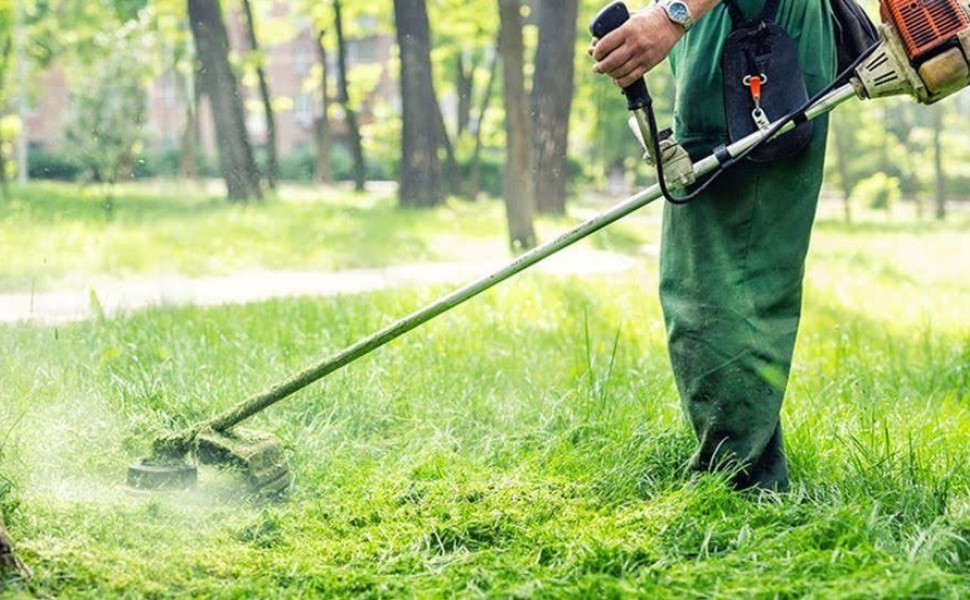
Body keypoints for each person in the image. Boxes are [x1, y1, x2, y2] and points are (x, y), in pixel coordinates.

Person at [590, 0, 836, 492]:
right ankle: (746, 470)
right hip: (730, 24)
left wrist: (671, 16)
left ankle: (741, 486)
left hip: (754, 28)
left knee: (724, 274)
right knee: (712, 271)